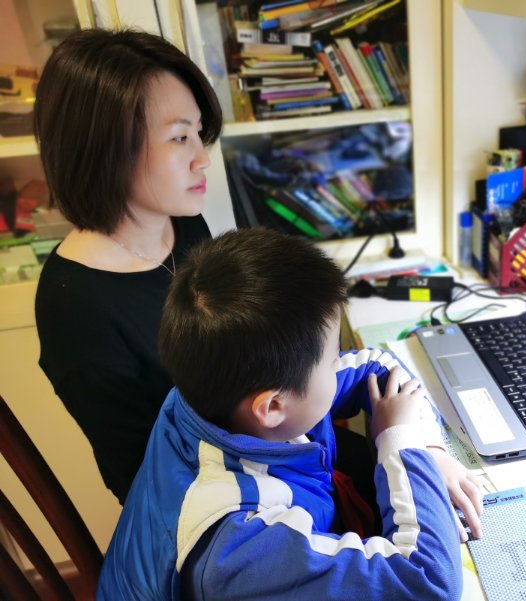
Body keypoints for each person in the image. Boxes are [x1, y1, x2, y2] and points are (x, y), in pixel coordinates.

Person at [96, 229, 484, 600]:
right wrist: (400, 440)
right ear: (272, 407)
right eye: (331, 359)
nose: (339, 364)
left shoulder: (210, 390)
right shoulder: (239, 543)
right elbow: (430, 582)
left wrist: (432, 452)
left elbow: (379, 367)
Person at [32, 29, 223, 503]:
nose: (202, 159)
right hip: (208, 510)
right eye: (179, 137)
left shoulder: (184, 225)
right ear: (104, 147)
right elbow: (141, 477)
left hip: (262, 447)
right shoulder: (75, 306)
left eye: (198, 133)